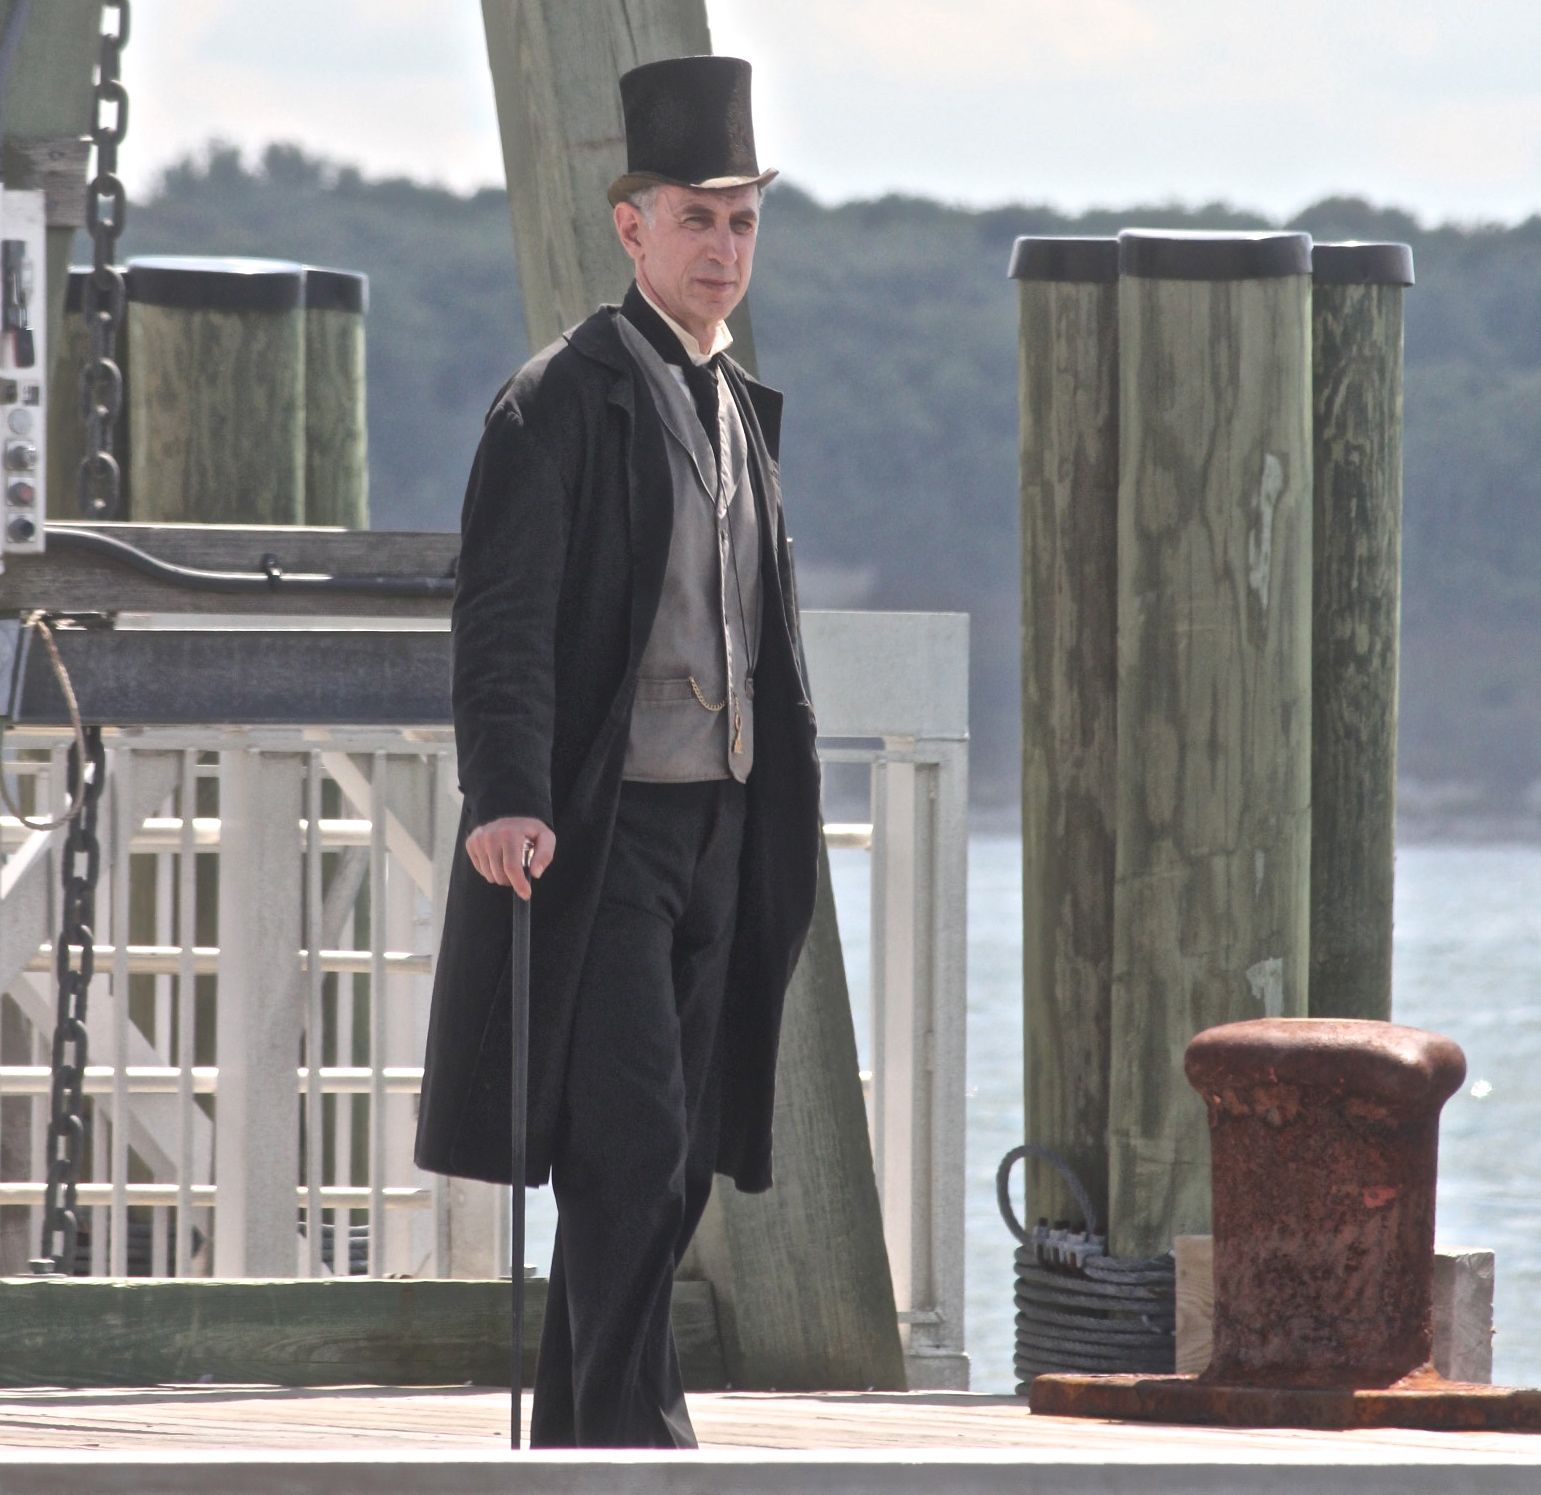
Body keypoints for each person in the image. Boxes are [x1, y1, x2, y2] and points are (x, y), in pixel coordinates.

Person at [413, 55, 821, 1449]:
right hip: (605, 833)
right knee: (631, 1144)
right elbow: (504, 617)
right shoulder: (557, 402)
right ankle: (640, 1441)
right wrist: (506, 796)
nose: (724, 247)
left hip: (726, 827)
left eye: (742, 220)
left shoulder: (736, 406)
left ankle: (589, 1437)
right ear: (631, 226)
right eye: (696, 219)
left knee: (678, 1150)